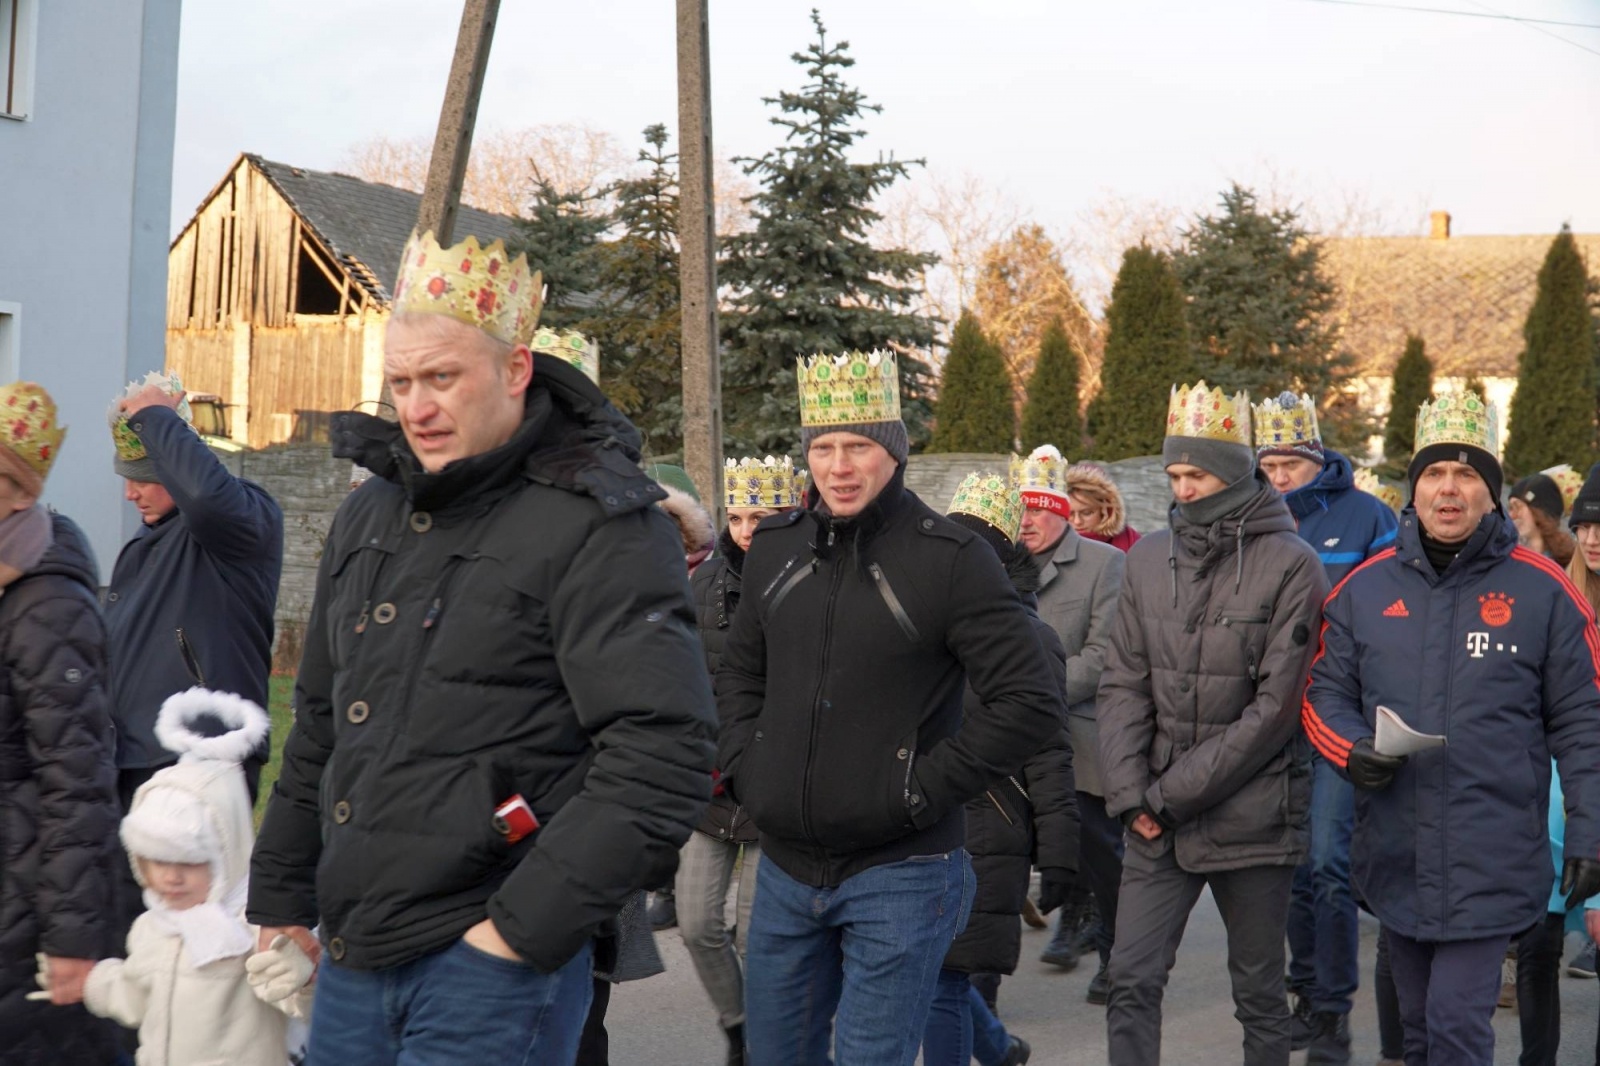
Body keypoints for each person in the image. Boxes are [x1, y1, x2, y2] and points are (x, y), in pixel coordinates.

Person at [248, 229, 717, 1065]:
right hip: (356, 953)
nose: (416, 407)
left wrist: (515, 934)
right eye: (400, 383)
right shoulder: (368, 516)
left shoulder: (600, 525)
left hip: (492, 960)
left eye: (442, 378)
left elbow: (662, 752)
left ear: (515, 370)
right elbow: (321, 719)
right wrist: (282, 893)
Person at [717, 350, 1064, 1066]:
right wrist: (749, 769)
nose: (839, 466)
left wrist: (920, 791)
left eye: (859, 446)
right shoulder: (775, 548)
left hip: (900, 872)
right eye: (823, 448)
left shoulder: (951, 558)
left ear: (895, 452)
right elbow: (740, 672)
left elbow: (1028, 702)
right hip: (783, 865)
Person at [1303, 388, 1600, 1065]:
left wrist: (1590, 831)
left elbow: (1584, 723)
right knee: (1415, 1035)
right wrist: (1352, 749)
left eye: (1467, 474)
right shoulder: (1365, 590)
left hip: (1491, 854)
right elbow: (1323, 695)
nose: (1449, 488)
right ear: (1414, 489)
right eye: (1435, 473)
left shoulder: (1546, 592)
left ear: (1493, 494)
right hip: (1395, 852)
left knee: (1457, 1028)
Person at [1098, 381, 1328, 1066]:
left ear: (1230, 473)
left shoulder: (1293, 566)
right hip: (1152, 818)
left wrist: (1165, 798)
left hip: (1254, 819)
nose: (1183, 488)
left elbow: (1273, 711)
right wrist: (1130, 793)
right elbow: (1122, 682)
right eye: (1174, 475)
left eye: (1195, 474)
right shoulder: (1145, 558)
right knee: (1131, 980)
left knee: (1258, 994)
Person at [38, 689, 315, 1064]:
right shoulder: (153, 927)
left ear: (226, 853)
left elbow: (296, 1002)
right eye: (156, 861)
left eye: (189, 863)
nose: (171, 878)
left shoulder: (253, 931)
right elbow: (134, 994)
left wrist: (305, 978)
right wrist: (90, 982)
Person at [1253, 390, 1398, 1065]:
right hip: (1268, 718)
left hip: (1336, 717)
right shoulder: (1253, 517)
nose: (1279, 477)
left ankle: (1333, 1011)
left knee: (1331, 865)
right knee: (1288, 868)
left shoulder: (1368, 517)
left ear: (1316, 457)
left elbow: (1390, 612)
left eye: (1291, 464)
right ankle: (1305, 993)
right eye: (1270, 464)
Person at [922, 472, 1078, 1066]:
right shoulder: (918, 622)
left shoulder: (1030, 638)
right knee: (938, 975)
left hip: (987, 828)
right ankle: (1000, 1050)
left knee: (947, 980)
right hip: (917, 817)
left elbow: (1049, 747)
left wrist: (1060, 846)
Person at [0, 382, 126, 1064]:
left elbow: (78, 784)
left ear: (21, 493)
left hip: (25, 915)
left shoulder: (48, 605)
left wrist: (72, 942)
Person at [105, 371, 283, 808]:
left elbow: (206, 496)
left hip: (202, 759)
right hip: (134, 760)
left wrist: (159, 420)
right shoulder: (144, 545)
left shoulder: (240, 525)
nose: (130, 493)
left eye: (143, 477)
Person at [679, 455, 801, 1066]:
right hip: (712, 783)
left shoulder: (815, 579)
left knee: (760, 936)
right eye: (737, 514)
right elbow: (684, 680)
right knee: (695, 920)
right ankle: (740, 1025)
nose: (747, 528)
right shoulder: (700, 585)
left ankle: (768, 1043)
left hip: (777, 786)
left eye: (762, 515)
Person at [1015, 446, 1126, 1005]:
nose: (1026, 521)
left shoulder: (1104, 564)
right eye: (1021, 510)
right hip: (1010, 735)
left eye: (1038, 509)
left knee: (1100, 851)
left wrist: (1034, 697)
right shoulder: (1000, 563)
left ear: (1063, 510)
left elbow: (1105, 653)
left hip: (1077, 730)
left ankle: (1115, 953)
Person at [1507, 465, 1578, 567]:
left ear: (1541, 512)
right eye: (1510, 508)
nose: (1511, 515)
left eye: (1518, 507)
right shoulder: (1506, 556)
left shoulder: (1568, 567)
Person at [1064, 462, 1141, 552]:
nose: (1077, 521)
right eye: (1069, 514)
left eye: (1087, 513)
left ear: (1105, 511)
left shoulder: (1132, 542)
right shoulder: (1049, 544)